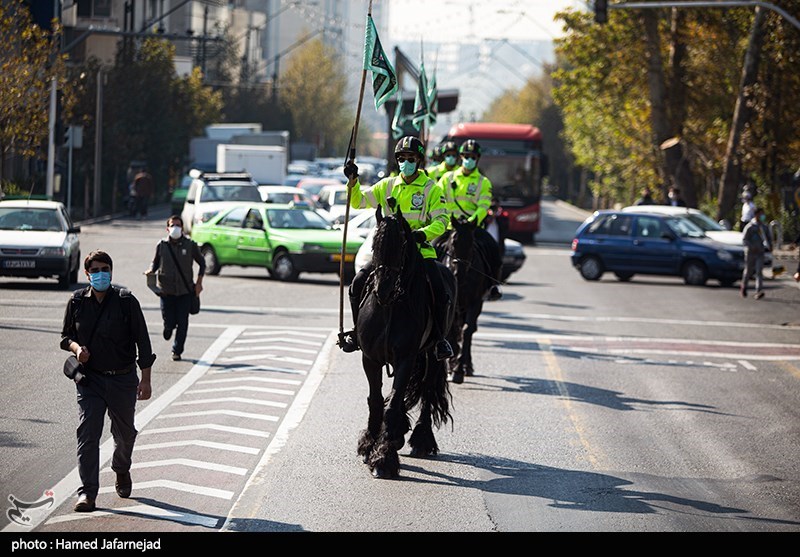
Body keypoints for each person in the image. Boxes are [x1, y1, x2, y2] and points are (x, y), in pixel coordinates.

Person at [338, 135, 453, 361]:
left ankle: (440, 339)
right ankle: (357, 332)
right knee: (358, 283)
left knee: (440, 290)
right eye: (402, 158)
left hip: (419, 252)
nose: (405, 163)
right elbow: (358, 202)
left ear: (419, 161)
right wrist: (353, 181)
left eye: (410, 158)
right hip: (388, 255)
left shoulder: (431, 188)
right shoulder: (387, 185)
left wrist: (423, 234)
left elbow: (442, 221)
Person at [60, 250, 155, 513]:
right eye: (95, 270)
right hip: (90, 380)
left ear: (111, 272)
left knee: (125, 434)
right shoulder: (77, 301)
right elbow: (65, 337)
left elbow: (143, 342)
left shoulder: (126, 301)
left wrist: (146, 380)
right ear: (87, 273)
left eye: (105, 269)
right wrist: (77, 348)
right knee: (87, 434)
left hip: (123, 379)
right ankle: (87, 493)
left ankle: (121, 468)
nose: (100, 274)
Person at [437, 139, 503, 301]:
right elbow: (437, 200)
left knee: (493, 249)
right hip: (450, 227)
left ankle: (493, 285)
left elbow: (484, 205)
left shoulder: (483, 182)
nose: (469, 160)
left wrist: (472, 221)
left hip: (472, 229)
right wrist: (446, 218)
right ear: (461, 157)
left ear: (477, 159)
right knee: (431, 249)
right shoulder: (447, 178)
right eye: (466, 156)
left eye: (473, 157)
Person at [146, 215, 205, 361]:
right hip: (166, 291)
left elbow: (202, 263)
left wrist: (199, 283)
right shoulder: (162, 245)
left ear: (182, 228)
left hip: (185, 291)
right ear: (167, 228)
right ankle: (168, 327)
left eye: (178, 225)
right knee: (169, 321)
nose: (175, 228)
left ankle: (177, 350)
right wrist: (150, 270)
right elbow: (155, 263)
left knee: (183, 323)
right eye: (172, 225)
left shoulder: (190, 245)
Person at [741, 207, 771, 299]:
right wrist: (751, 247)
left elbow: (768, 238)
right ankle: (744, 286)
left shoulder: (764, 227)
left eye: (763, 214)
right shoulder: (750, 227)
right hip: (750, 253)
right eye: (760, 214)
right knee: (748, 271)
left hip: (760, 252)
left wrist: (770, 246)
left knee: (759, 271)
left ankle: (759, 291)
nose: (762, 216)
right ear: (756, 215)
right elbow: (745, 240)